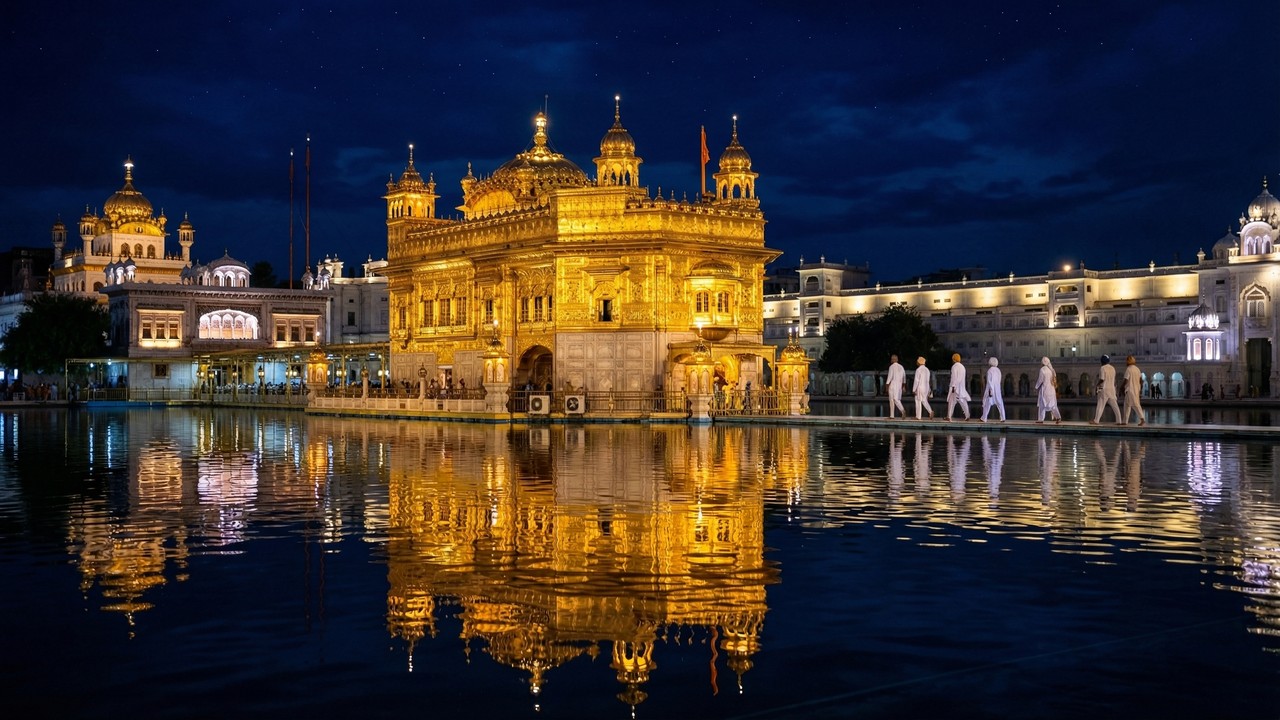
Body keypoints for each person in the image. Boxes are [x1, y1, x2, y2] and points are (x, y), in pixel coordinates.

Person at [1092, 355, 1121, 425]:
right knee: (1115, 406)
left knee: (1100, 405)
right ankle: (1119, 421)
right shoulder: (1113, 368)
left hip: (1104, 389)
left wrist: (1097, 385)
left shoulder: (1102, 368)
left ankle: (1096, 420)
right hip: (1111, 389)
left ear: (1102, 361)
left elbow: (1102, 379)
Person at [1034, 356, 1061, 424]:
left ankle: (1041, 419)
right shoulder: (1051, 369)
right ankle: (1058, 417)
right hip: (1051, 390)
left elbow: (1040, 380)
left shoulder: (1042, 370)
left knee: (1042, 404)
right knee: (1053, 405)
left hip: (1045, 389)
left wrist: (1036, 387)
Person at [1121, 355, 1147, 426]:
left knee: (1135, 405)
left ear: (1128, 361)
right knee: (1127, 405)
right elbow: (1141, 380)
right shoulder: (1137, 369)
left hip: (1130, 390)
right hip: (1136, 389)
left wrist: (1121, 387)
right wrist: (1140, 388)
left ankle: (1142, 419)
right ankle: (1125, 421)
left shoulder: (1129, 369)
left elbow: (1126, 380)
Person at [946, 353, 971, 421]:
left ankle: (949, 417)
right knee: (963, 401)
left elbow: (954, 378)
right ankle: (967, 415)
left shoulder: (954, 367)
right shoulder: (962, 367)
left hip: (955, 388)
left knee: (951, 402)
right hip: (961, 388)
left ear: (954, 359)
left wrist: (953, 386)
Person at [980, 356, 1005, 422]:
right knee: (1000, 403)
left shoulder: (990, 370)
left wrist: (991, 390)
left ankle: (984, 418)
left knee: (987, 404)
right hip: (997, 389)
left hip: (991, 390)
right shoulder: (998, 370)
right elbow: (999, 380)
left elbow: (989, 381)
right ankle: (1003, 417)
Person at [886, 354, 907, 419]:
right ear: (897, 360)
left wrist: (886, 386)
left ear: (892, 360)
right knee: (896, 399)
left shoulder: (891, 367)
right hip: (899, 385)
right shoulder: (901, 367)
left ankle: (902, 410)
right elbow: (904, 378)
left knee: (893, 400)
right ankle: (892, 415)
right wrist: (903, 386)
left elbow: (889, 377)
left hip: (892, 385)